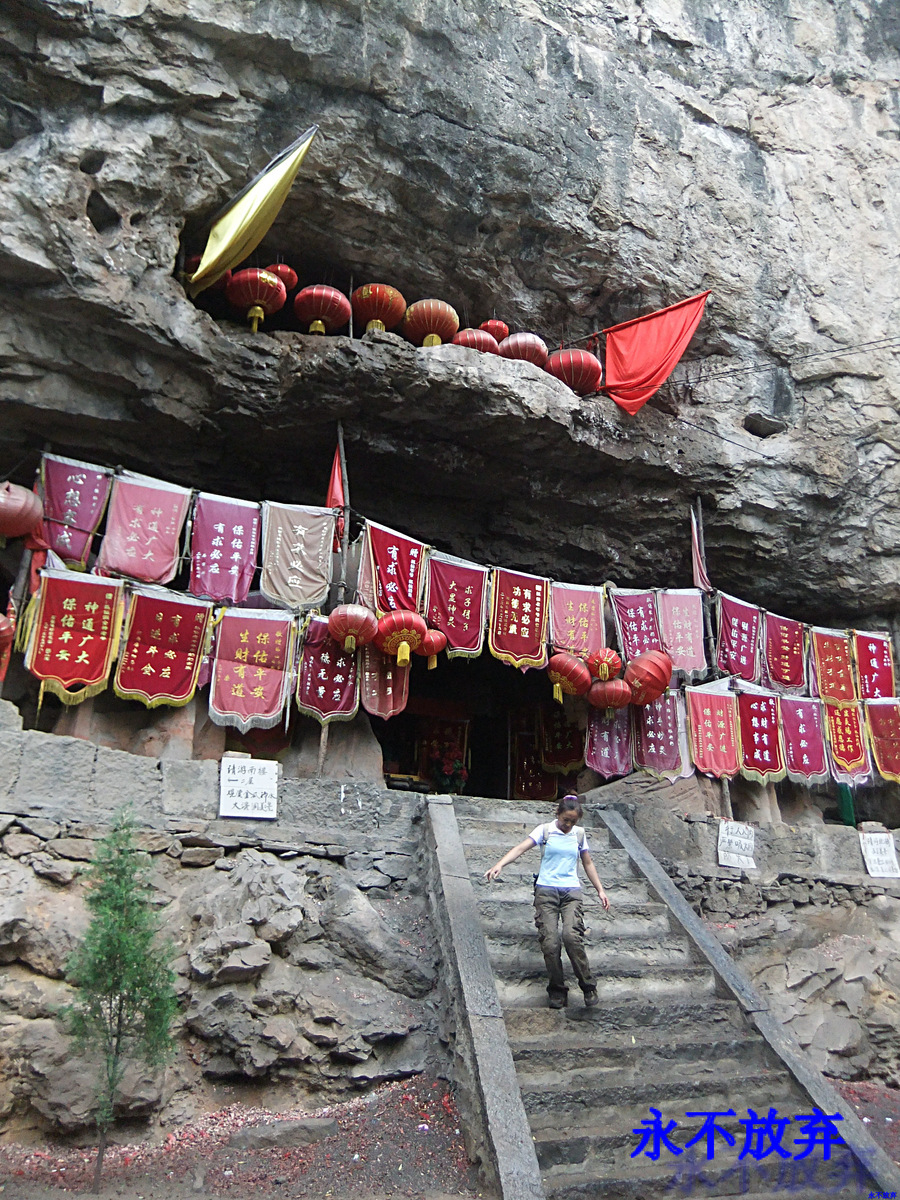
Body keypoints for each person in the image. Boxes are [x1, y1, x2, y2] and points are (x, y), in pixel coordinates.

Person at [484, 794, 610, 1009]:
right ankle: (557, 990)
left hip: (571, 892)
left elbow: (587, 863)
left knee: (571, 937)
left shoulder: (579, 835)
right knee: (550, 942)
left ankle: (588, 985)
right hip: (546, 891)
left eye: (572, 821)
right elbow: (520, 848)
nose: (568, 825)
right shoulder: (545, 830)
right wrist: (500, 864)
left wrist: (600, 890)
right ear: (557, 814)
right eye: (565, 820)